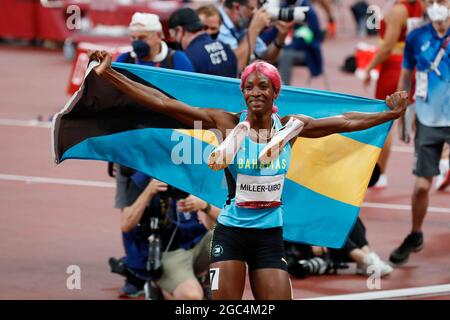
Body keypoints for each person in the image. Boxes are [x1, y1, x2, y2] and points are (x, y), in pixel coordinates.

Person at [89, 51, 408, 299]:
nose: (254, 92)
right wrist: (110, 74)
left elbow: (347, 122)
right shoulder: (224, 122)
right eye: (248, 87)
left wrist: (388, 113)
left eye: (263, 86)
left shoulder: (293, 127)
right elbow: (162, 102)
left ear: (275, 93)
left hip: (270, 238)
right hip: (230, 234)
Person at [390, 0, 449, 265]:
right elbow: (405, 76)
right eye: (432, 0)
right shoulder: (416, 36)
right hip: (427, 119)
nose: (437, 5)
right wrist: (403, 113)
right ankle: (415, 234)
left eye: (442, 0)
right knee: (422, 186)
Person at [112, 167, 220, 299]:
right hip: (170, 253)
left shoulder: (192, 173)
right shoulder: (141, 179)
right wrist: (149, 191)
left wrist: (205, 205)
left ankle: (207, 285)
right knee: (193, 297)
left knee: (232, 245)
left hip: (197, 241)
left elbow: (221, 222)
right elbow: (126, 225)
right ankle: (159, 287)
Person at [362, 0, 424, 188]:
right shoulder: (420, 6)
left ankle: (381, 173)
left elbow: (387, 46)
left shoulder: (399, 9)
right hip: (411, 64)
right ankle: (439, 160)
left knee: (384, 120)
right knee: (415, 118)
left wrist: (369, 67)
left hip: (394, 67)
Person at [217, 0, 292, 71]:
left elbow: (266, 59)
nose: (255, 13)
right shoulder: (216, 24)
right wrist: (254, 29)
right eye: (252, 9)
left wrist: (280, 38)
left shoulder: (241, 23)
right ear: (237, 7)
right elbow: (236, 66)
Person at [168, 8, 238, 78]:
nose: (174, 40)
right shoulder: (225, 48)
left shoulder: (187, 58)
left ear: (179, 30)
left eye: (174, 35)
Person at [116, 12, 193, 71]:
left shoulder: (177, 60)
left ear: (159, 36)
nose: (136, 42)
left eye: (142, 38)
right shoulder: (124, 60)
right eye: (133, 37)